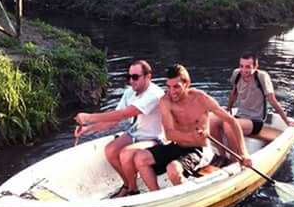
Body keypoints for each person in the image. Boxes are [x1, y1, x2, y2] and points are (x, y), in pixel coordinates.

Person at [131, 63, 252, 192]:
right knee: (140, 158)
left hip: (200, 150)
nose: (172, 92)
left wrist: (244, 153)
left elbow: (232, 121)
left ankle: (187, 197)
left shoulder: (201, 98)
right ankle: (156, 196)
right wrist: (190, 136)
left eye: (176, 87)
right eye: (169, 87)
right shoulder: (165, 101)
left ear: (187, 84)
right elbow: (169, 134)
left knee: (173, 169)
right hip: (178, 146)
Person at [74, 60, 164, 198]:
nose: (131, 81)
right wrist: (87, 129)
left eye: (135, 77)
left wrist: (89, 117)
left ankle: (133, 191)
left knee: (125, 154)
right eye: (129, 77)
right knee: (110, 150)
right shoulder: (129, 93)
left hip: (154, 138)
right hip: (135, 134)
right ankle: (129, 186)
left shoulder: (154, 94)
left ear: (148, 77)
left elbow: (125, 114)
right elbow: (114, 120)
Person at [210, 53, 294, 155]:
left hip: (255, 121)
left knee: (228, 125)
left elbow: (272, 100)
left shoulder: (262, 77)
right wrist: (228, 108)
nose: (243, 70)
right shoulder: (236, 74)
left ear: (256, 67)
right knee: (211, 119)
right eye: (241, 66)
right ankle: (222, 155)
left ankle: (235, 158)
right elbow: (234, 92)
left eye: (248, 67)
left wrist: (287, 121)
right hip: (240, 116)